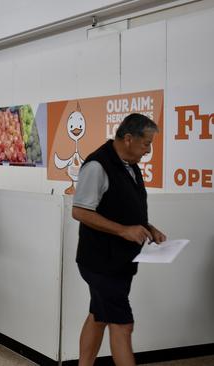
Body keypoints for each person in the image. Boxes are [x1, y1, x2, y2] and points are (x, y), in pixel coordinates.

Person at [72, 113, 166, 366]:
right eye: (146, 143)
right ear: (128, 138)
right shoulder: (97, 166)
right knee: (123, 324)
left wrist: (148, 227)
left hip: (120, 262)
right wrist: (124, 230)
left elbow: (122, 207)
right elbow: (80, 211)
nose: (149, 150)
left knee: (99, 315)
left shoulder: (129, 164)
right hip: (100, 263)